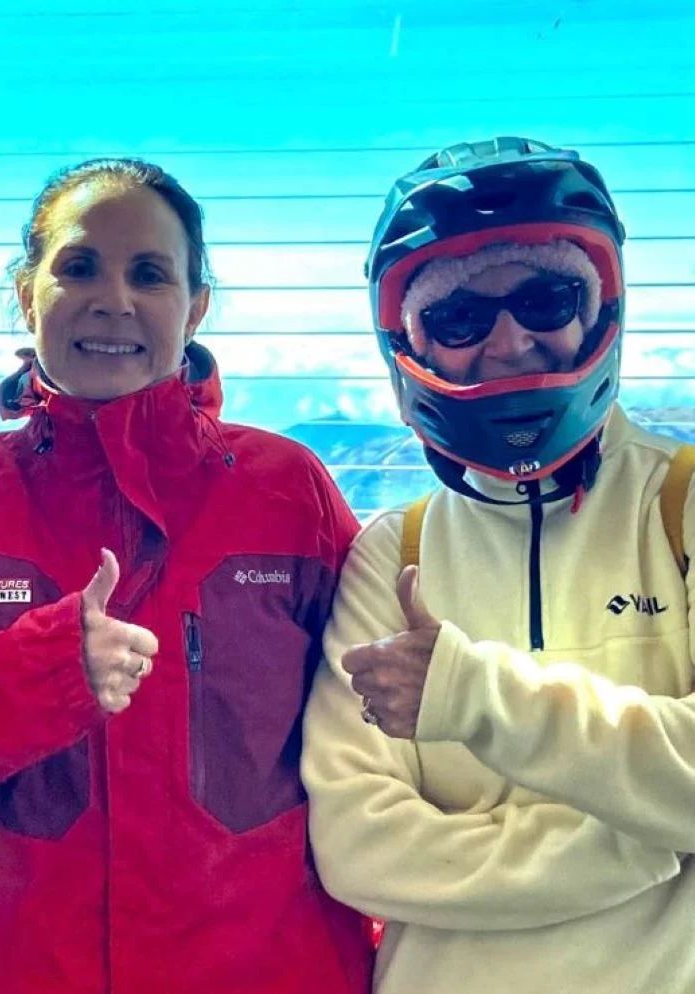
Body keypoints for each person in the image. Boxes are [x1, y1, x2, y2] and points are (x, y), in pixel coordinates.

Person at [0, 157, 376, 994]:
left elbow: (384, 742)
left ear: (196, 304)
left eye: (150, 273)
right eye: (79, 267)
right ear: (28, 293)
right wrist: (37, 672)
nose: (116, 300)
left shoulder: (287, 490)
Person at [302, 137, 695, 994]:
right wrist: (649, 834)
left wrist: (467, 698)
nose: (512, 341)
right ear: (411, 344)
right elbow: (358, 846)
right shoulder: (393, 554)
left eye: (547, 298)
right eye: (458, 319)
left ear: (599, 309)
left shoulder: (682, 505)